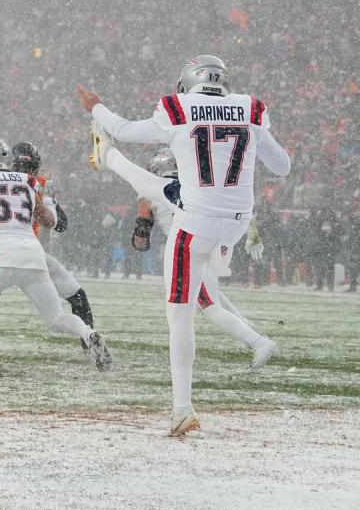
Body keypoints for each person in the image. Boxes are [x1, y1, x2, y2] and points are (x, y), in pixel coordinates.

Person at [80, 53, 291, 436]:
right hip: (236, 223)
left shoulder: (179, 108)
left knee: (180, 317)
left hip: (196, 224)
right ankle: (108, 158)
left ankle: (182, 408)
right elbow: (283, 167)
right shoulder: (251, 108)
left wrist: (96, 107)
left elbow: (125, 128)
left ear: (188, 82)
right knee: (168, 191)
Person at [94, 142, 277, 368]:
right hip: (209, 241)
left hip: (187, 249)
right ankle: (248, 328)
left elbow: (141, 236)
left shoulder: (152, 191)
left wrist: (139, 235)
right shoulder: (195, 186)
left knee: (210, 307)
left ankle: (258, 341)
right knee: (212, 293)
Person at [0, 139, 111, 372]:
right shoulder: (29, 183)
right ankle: (87, 332)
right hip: (33, 255)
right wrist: (50, 202)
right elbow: (51, 221)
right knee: (55, 318)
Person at [9, 141, 99, 336]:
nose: (25, 171)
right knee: (75, 299)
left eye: (27, 167)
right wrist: (49, 200)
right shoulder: (37, 185)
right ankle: (89, 339)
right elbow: (59, 224)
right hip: (30, 254)